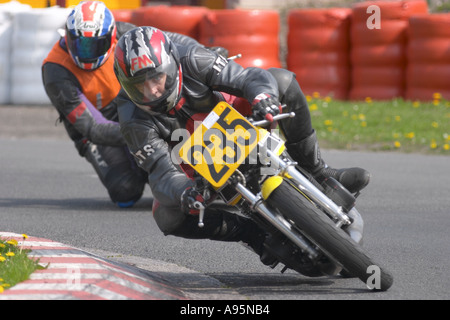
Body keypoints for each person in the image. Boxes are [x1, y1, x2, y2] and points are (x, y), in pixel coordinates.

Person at [113, 26, 371, 262]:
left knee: (281, 80)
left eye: (156, 78)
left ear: (170, 65)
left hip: (233, 116)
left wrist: (263, 96)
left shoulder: (193, 58)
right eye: (140, 86)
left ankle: (318, 171)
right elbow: (159, 171)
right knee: (166, 215)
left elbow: (248, 77)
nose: (153, 91)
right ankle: (254, 235)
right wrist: (185, 191)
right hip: (192, 163)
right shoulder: (131, 115)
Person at [42, 1, 216, 208]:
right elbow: (92, 127)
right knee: (125, 191)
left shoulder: (124, 34)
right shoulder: (55, 70)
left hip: (129, 102)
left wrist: (202, 52)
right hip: (95, 128)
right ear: (67, 37)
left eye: (94, 45)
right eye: (80, 44)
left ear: (111, 35)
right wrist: (144, 138)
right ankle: (149, 167)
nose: (86, 53)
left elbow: (167, 41)